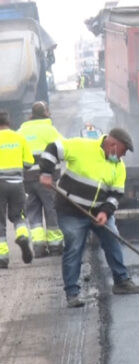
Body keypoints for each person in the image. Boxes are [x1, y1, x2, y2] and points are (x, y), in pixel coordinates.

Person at [38, 127, 139, 307]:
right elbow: (52, 149)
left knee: (113, 239)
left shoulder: (118, 167)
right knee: (74, 246)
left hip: (98, 212)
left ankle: (122, 281)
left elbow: (116, 195)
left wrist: (104, 212)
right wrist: (46, 173)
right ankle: (72, 293)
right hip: (71, 211)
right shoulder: (81, 146)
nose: (123, 156)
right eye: (123, 150)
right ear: (112, 144)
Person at [18, 101, 65, 257]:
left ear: (31, 114)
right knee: (52, 210)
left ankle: (38, 247)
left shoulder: (22, 130)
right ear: (46, 112)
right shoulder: (49, 129)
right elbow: (64, 147)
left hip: (27, 180)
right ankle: (55, 246)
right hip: (47, 179)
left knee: (33, 211)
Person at [0, 109, 34, 268]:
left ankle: (2, 257)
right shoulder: (19, 137)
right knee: (19, 215)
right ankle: (22, 235)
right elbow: (29, 163)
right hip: (16, 184)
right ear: (9, 122)